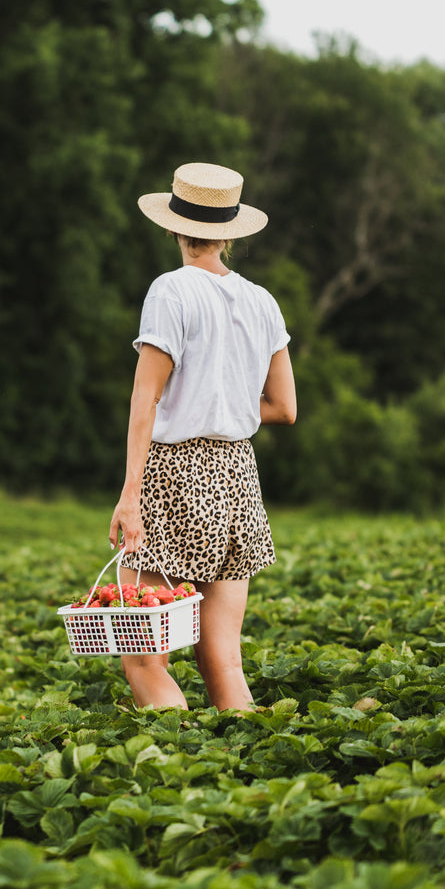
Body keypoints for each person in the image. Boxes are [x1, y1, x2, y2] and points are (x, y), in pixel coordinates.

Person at [108, 161, 297, 711]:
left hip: (174, 476)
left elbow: (145, 401)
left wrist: (128, 498)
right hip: (237, 476)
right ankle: (240, 780)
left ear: (173, 227)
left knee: (144, 654)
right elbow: (285, 407)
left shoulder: (171, 291)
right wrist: (229, 407)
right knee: (224, 656)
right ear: (230, 233)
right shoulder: (262, 301)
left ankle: (180, 768)